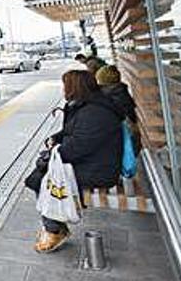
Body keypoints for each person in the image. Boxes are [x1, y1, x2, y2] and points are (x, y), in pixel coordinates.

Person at [25, 70, 122, 253]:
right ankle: (54, 226)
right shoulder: (88, 106)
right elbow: (73, 133)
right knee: (43, 169)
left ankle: (55, 230)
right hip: (95, 161)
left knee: (43, 178)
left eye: (65, 85)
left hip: (101, 170)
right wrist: (56, 139)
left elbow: (76, 148)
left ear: (75, 87)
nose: (63, 89)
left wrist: (54, 152)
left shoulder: (94, 113)